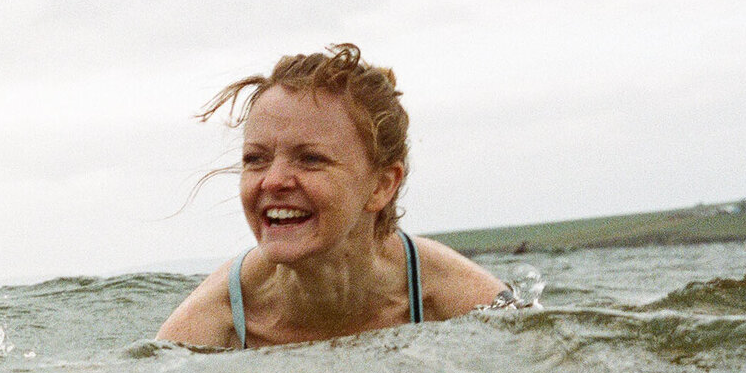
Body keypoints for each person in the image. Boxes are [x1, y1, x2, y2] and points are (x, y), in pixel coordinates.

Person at [155, 43, 510, 350]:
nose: (272, 181)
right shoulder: (210, 328)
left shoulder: (459, 299)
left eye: (311, 159)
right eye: (255, 160)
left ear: (382, 186)